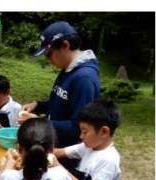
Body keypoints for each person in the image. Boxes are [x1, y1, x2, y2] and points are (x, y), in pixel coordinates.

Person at [19, 21, 100, 149]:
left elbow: (78, 127)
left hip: (66, 152)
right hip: (54, 143)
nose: (48, 59)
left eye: (49, 54)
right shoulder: (68, 69)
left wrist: (39, 122)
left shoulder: (84, 79)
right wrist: (38, 105)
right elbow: (60, 102)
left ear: (65, 45)